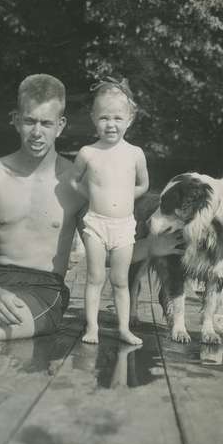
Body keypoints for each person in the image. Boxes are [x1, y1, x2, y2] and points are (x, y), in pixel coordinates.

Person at [0, 73, 183, 364]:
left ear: (60, 126)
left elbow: (106, 253)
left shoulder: (78, 184)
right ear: (15, 119)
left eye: (46, 123)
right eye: (30, 121)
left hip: (43, 291)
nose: (37, 132)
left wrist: (152, 248)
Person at [70, 77, 149, 345]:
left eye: (117, 117)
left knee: (120, 280)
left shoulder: (135, 153)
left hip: (124, 225)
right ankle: (92, 327)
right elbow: (73, 180)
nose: (111, 124)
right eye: (104, 117)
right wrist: (91, 195)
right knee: (94, 277)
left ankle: (124, 328)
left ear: (130, 119)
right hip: (96, 223)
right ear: (93, 118)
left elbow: (143, 184)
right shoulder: (88, 153)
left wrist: (128, 196)